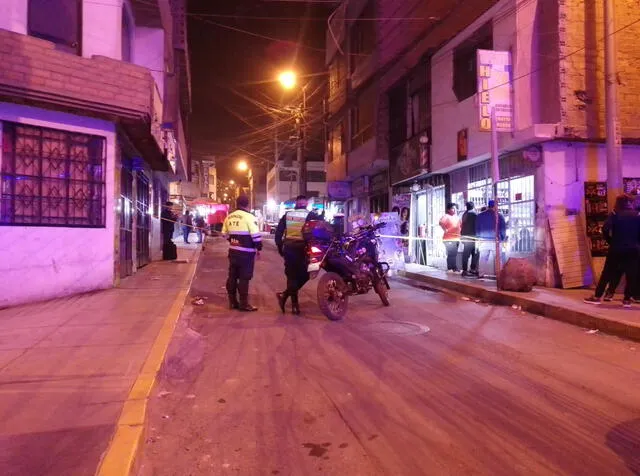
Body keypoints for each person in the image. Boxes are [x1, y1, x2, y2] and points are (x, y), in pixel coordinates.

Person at [584, 194, 640, 307]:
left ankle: (597, 296)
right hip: (633, 249)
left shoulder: (615, 214)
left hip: (616, 248)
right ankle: (627, 299)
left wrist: (611, 241)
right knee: (631, 273)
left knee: (607, 273)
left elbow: (605, 229)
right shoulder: (637, 215)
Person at [275, 195, 320, 315]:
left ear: (296, 203)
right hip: (305, 250)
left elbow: (278, 233)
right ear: (306, 204)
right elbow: (320, 231)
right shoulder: (311, 215)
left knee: (291, 276)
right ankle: (291, 302)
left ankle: (287, 298)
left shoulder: (288, 215)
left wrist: (280, 248)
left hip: (289, 248)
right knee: (305, 274)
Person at [222, 196, 262, 312]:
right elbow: (255, 236)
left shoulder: (229, 217)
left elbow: (224, 234)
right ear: (247, 204)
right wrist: (259, 248)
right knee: (244, 278)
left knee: (232, 276)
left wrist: (233, 241)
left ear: (237, 203)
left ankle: (233, 302)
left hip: (233, 251)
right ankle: (243, 304)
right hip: (246, 253)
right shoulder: (249, 217)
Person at [475, 200, 507, 277]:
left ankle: (481, 274)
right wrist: (503, 239)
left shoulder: (480, 216)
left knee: (482, 258)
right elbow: (502, 229)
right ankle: (499, 275)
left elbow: (477, 229)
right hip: (495, 240)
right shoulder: (499, 216)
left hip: (483, 240)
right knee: (498, 259)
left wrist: (478, 238)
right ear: (495, 206)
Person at [439, 203, 461, 272]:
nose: (454, 210)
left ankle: (454, 267)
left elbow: (461, 225)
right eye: (452, 208)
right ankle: (450, 267)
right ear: (448, 210)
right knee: (451, 253)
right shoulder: (446, 216)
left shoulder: (457, 217)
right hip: (449, 238)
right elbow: (441, 222)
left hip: (457, 238)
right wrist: (445, 229)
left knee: (454, 253)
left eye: (455, 208)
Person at [460, 201, 479, 277]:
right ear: (473, 206)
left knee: (466, 254)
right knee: (475, 254)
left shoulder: (464, 214)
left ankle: (465, 270)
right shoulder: (474, 215)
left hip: (465, 237)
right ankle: (472, 269)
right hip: (472, 237)